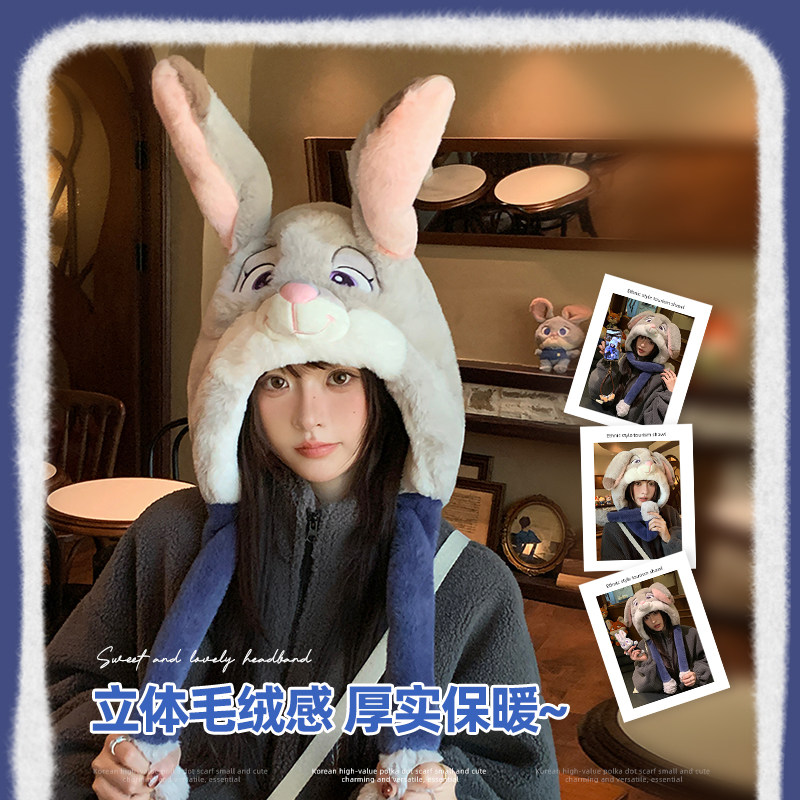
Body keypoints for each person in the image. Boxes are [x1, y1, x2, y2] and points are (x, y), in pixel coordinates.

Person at [47, 59, 560, 800]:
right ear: (235, 394)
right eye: (277, 381)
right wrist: (106, 759)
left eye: (339, 377)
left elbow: (523, 781)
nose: (309, 415)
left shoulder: (470, 586)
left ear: (390, 390)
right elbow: (60, 695)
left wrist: (449, 788)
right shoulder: (166, 539)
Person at [584, 311, 682, 424]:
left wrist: (671, 395)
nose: (643, 344)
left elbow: (654, 423)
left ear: (658, 348)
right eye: (642, 337)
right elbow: (596, 392)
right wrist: (608, 364)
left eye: (651, 342)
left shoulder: (660, 378)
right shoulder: (622, 359)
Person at [622, 584, 712, 696]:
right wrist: (646, 662)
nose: (653, 621)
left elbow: (710, 660)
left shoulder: (690, 633)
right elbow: (642, 687)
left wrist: (696, 675)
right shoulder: (643, 646)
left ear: (663, 610)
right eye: (646, 618)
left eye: (655, 613)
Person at [599, 448, 681, 561]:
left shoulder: (671, 514)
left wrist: (669, 539)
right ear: (627, 486)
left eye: (651, 483)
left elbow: (689, 559)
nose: (645, 491)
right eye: (638, 483)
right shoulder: (614, 527)